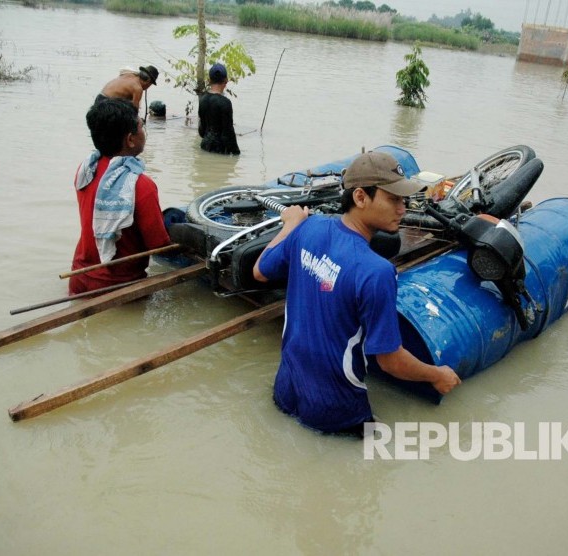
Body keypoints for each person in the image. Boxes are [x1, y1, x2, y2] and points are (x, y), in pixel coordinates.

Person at [252, 151, 462, 435]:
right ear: (361, 197)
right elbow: (390, 361)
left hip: (286, 390)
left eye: (404, 200)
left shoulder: (307, 228)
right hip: (335, 410)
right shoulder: (376, 272)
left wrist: (290, 224)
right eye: (393, 199)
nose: (403, 209)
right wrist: (437, 375)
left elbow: (260, 271)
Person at [69, 98, 170, 295]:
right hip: (118, 287)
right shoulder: (140, 184)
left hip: (79, 277)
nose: (144, 133)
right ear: (130, 139)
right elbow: (158, 244)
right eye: (141, 126)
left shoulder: (86, 170)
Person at [198, 63, 240, 155]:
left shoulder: (202, 99)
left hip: (204, 146)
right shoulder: (225, 103)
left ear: (209, 80)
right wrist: (237, 154)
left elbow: (202, 131)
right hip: (219, 150)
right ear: (226, 80)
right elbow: (228, 133)